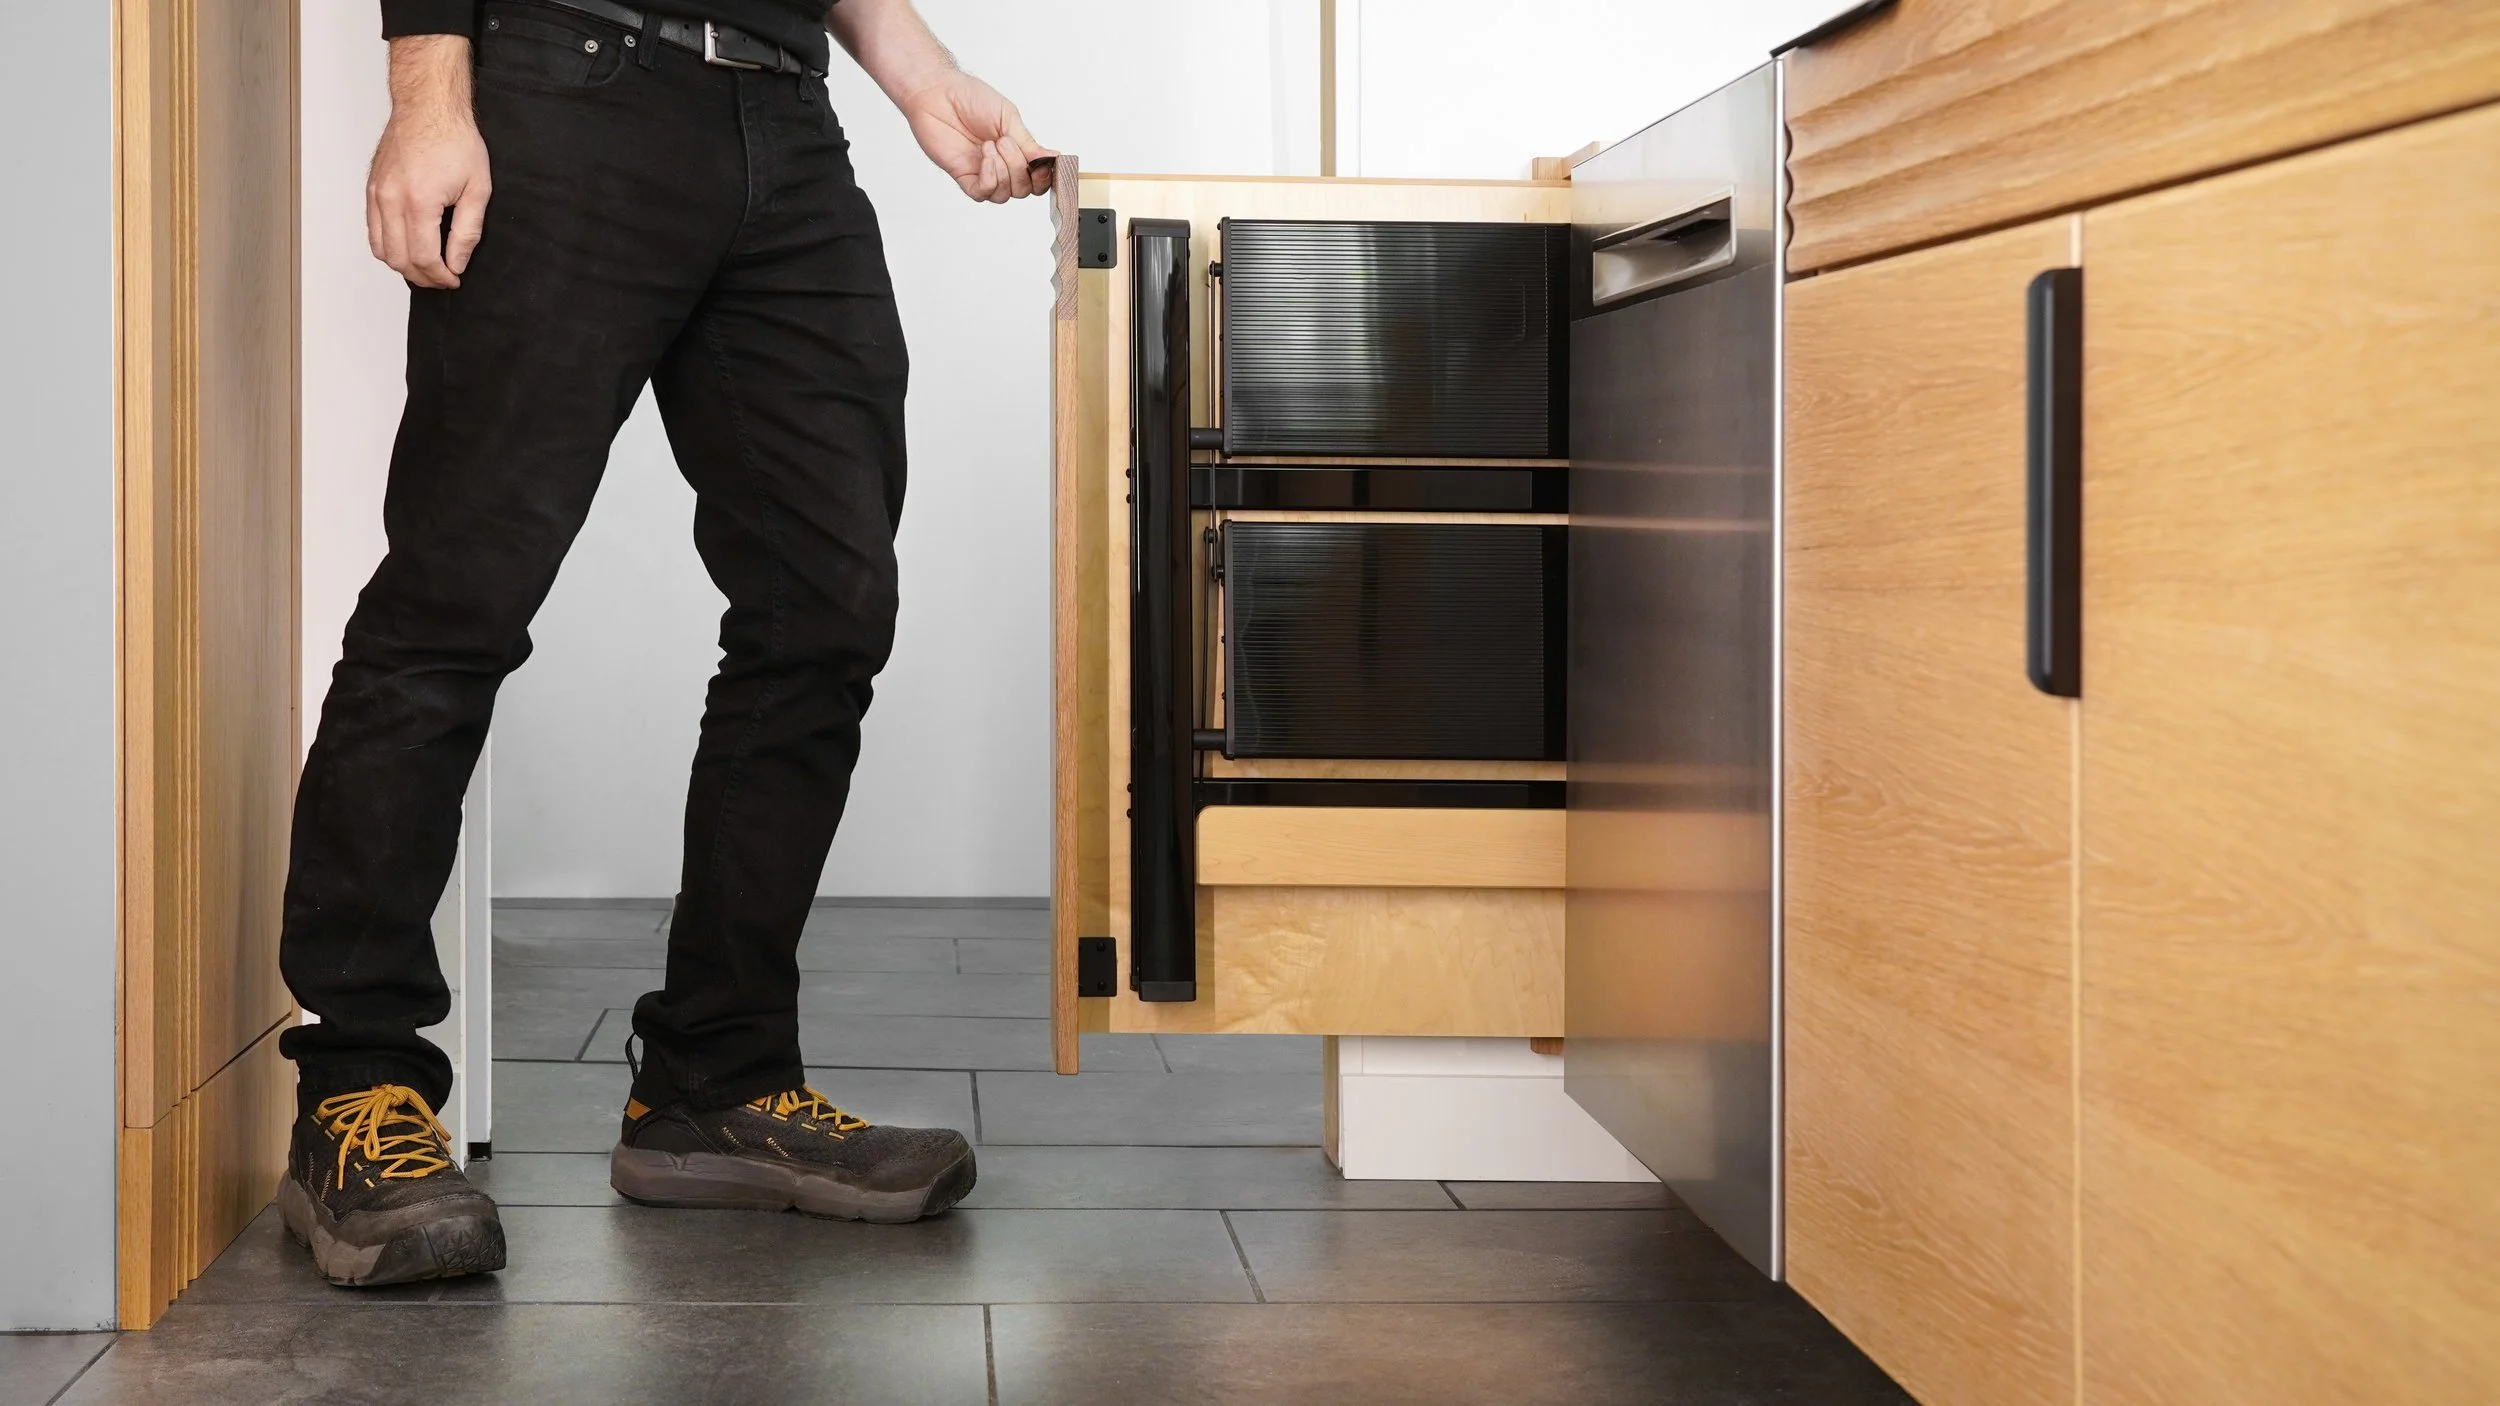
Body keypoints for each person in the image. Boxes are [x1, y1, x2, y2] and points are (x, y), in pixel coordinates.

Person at [275, 0, 1053, 1287]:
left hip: (784, 118)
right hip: (572, 77)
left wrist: (923, 78)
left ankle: (715, 1076)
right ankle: (356, 1089)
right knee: (458, 600)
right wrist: (428, 96)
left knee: (827, 604)